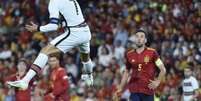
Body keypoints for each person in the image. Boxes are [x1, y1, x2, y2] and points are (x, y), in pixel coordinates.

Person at [7, 0, 93, 89]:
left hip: (74, 33)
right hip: (85, 31)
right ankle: (89, 77)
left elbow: (53, 26)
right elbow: (68, 19)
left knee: (45, 51)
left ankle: (25, 81)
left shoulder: (54, 1)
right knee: (85, 58)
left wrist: (38, 28)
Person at [115, 29, 166, 101]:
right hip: (134, 90)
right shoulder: (129, 54)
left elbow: (163, 69)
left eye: (142, 37)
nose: (139, 39)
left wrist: (157, 81)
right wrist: (120, 87)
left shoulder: (152, 53)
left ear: (145, 40)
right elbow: (126, 72)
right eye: (137, 37)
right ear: (135, 40)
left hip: (148, 90)